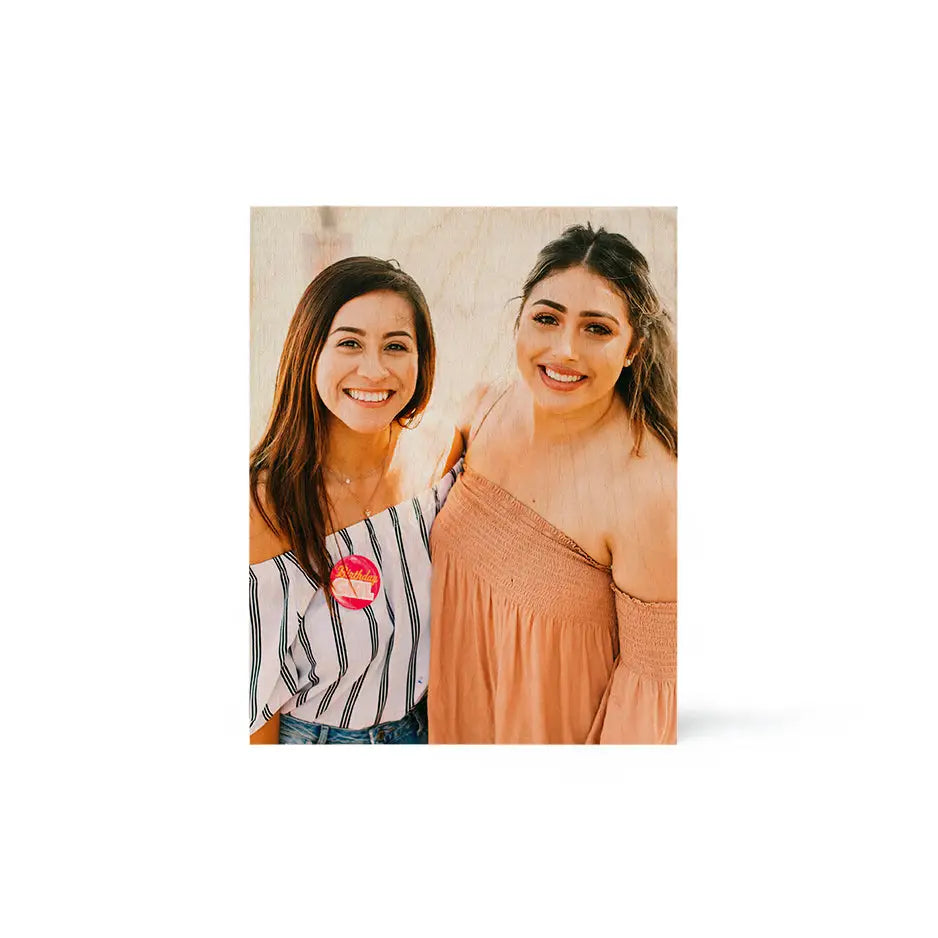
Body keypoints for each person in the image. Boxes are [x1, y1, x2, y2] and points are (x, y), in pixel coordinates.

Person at [428, 224, 677, 744]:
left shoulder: (651, 492)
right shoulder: (483, 408)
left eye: (597, 329)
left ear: (633, 348)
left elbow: (652, 700)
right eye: (547, 318)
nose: (565, 349)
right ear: (519, 320)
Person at [249, 256, 460, 744]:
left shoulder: (442, 456)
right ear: (310, 353)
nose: (374, 369)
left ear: (421, 360)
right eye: (349, 343)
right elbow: (254, 703)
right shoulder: (265, 504)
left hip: (428, 729)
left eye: (396, 346)